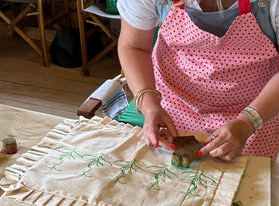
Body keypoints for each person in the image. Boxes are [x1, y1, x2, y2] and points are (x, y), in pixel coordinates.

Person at [117, 0, 279, 161]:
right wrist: (150, 106)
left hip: (256, 109)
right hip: (174, 108)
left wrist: (247, 122)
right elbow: (134, 47)